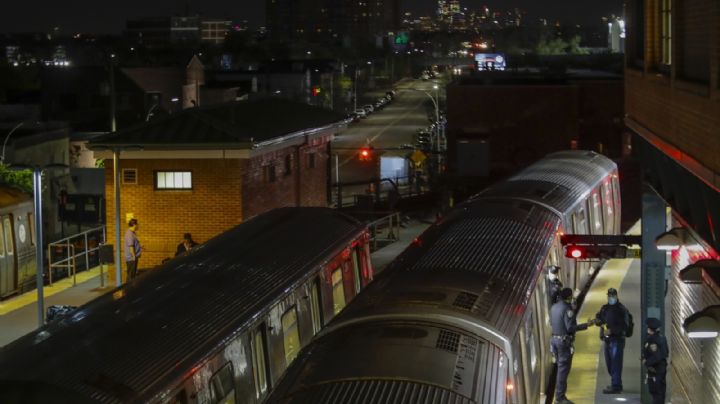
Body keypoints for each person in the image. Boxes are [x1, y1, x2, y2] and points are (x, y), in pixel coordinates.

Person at [551, 287, 594, 404]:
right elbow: (570, 328)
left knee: (560, 368)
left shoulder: (553, 307)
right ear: (569, 297)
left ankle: (559, 395)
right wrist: (586, 325)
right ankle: (560, 397)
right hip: (563, 343)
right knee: (563, 370)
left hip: (554, 341)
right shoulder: (567, 309)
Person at [594, 288, 631, 394]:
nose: (610, 298)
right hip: (607, 341)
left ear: (616, 296)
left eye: (612, 296)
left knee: (616, 363)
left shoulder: (622, 309)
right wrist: (596, 321)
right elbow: (599, 318)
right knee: (609, 363)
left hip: (617, 340)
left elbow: (625, 326)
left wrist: (612, 331)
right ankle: (615, 382)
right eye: (609, 296)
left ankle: (616, 385)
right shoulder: (605, 308)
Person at [643, 317, 668, 404]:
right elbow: (665, 352)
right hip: (661, 368)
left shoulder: (652, 340)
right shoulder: (662, 337)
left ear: (650, 329)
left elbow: (657, 357)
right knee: (659, 391)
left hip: (656, 369)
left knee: (656, 391)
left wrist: (646, 361)